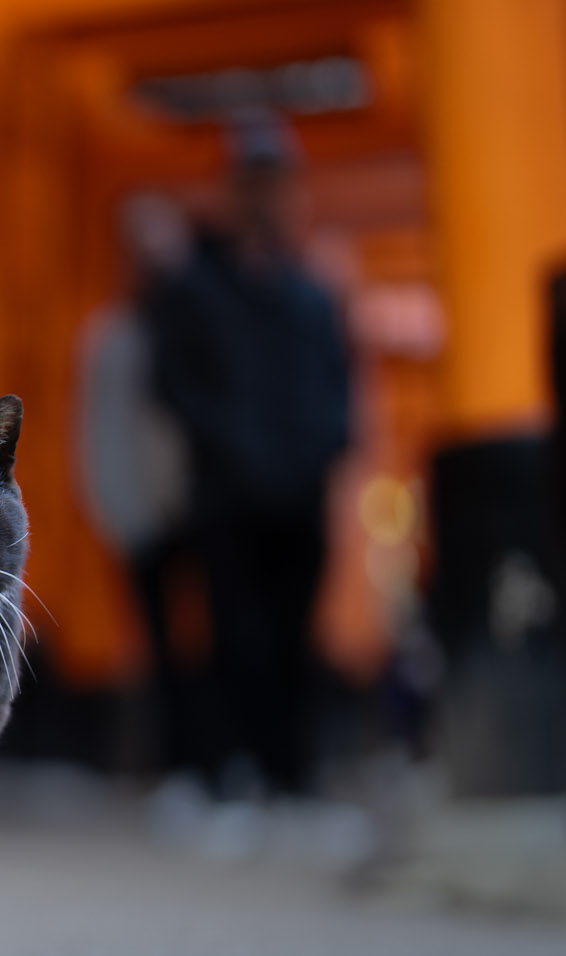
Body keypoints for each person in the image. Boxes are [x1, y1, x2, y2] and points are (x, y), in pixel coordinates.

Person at [152, 110, 352, 797]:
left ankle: (290, 769)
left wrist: (320, 449)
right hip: (229, 495)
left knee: (296, 633)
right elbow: (176, 385)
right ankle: (235, 767)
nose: (263, 197)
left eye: (275, 181)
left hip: (301, 495)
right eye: (250, 181)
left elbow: (336, 383)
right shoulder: (195, 290)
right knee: (237, 634)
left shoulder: (312, 294)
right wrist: (238, 447)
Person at [75, 191, 213, 785]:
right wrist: (114, 505)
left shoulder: (206, 327)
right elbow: (98, 429)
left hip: (204, 507)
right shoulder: (110, 336)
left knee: (219, 638)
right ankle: (173, 761)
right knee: (156, 646)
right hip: (140, 512)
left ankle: (218, 759)